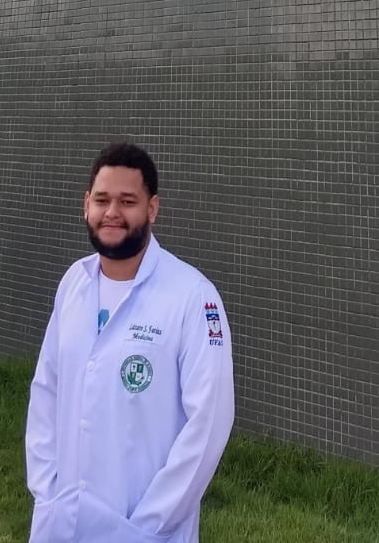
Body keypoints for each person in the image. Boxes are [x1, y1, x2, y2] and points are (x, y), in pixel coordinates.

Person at [26, 140, 235, 543]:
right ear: (86, 203)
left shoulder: (193, 297)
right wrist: (46, 491)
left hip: (145, 530)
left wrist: (145, 527)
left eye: (128, 201)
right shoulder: (74, 283)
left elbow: (208, 425)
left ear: (152, 208)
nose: (112, 213)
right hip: (62, 523)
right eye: (102, 199)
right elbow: (46, 391)